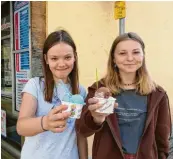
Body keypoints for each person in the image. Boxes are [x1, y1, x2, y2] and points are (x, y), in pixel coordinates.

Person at [76, 32, 172, 159]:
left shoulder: (157, 95)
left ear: (143, 56)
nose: (130, 58)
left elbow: (163, 139)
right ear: (113, 58)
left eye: (136, 52)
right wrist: (96, 119)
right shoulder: (99, 90)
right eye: (122, 53)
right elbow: (82, 130)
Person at [17, 29, 88, 159]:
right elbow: (21, 127)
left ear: (75, 57)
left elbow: (80, 133)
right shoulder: (35, 85)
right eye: (54, 58)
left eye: (67, 57)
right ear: (46, 59)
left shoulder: (81, 91)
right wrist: (46, 122)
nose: (61, 64)